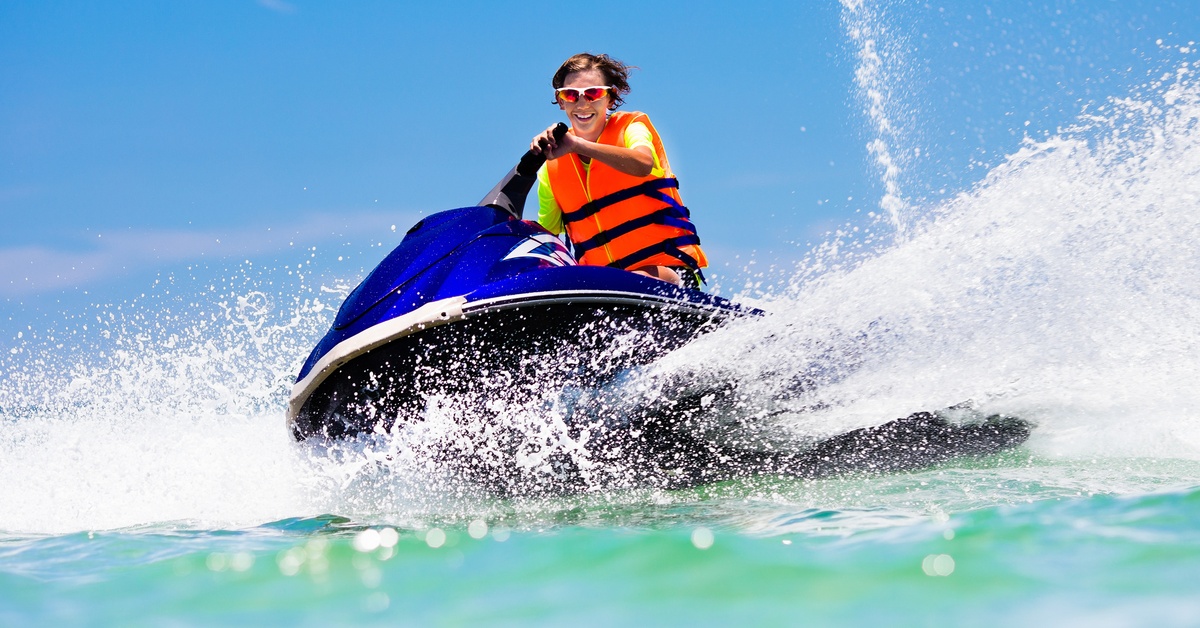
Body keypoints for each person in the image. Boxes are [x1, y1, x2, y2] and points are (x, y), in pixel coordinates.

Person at [530, 53, 708, 288]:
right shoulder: (550, 168)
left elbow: (643, 164)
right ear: (561, 101)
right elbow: (548, 237)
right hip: (603, 290)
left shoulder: (632, 129)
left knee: (633, 282)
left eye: (593, 93)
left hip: (670, 273)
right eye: (571, 95)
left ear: (610, 98)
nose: (583, 103)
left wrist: (577, 145)